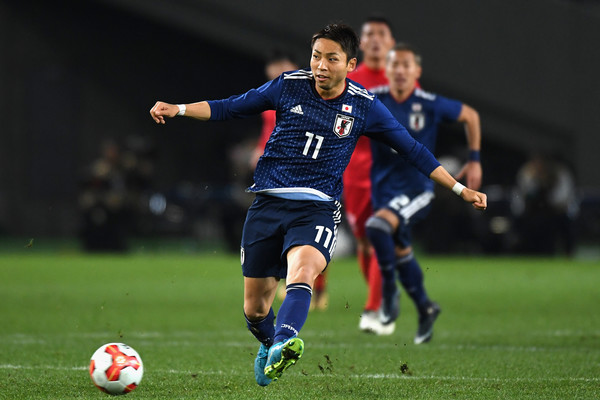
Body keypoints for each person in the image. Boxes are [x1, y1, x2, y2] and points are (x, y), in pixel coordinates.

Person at [150, 24, 487, 386]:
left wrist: (459, 189)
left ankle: (284, 341)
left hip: (317, 208)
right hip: (267, 204)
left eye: (331, 59)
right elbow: (230, 107)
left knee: (303, 270)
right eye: (316, 56)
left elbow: (413, 150)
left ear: (351, 64)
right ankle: (269, 343)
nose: (321, 66)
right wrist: (179, 108)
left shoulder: (364, 106)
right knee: (255, 309)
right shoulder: (288, 85)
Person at [365, 42, 483, 344]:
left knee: (378, 227)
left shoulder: (428, 103)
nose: (400, 70)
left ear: (417, 71)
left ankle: (388, 293)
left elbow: (470, 115)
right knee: (401, 251)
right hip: (383, 190)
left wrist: (474, 160)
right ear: (386, 70)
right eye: (395, 64)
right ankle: (426, 308)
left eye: (406, 65)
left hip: (417, 187)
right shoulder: (372, 100)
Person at [249, 51, 330, 311]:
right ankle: (296, 281)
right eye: (272, 69)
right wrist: (260, 150)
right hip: (280, 175)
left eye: (281, 67)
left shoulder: (311, 93)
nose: (276, 73)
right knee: (286, 231)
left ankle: (316, 286)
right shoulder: (273, 95)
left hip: (314, 174)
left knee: (314, 232)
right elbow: (269, 131)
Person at [344, 16, 396, 335]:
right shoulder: (349, 79)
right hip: (354, 172)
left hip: (390, 172)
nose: (375, 39)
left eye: (381, 34)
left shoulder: (401, 79)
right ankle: (383, 296)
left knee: (380, 234)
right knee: (364, 242)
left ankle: (373, 308)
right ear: (361, 43)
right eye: (370, 34)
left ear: (391, 43)